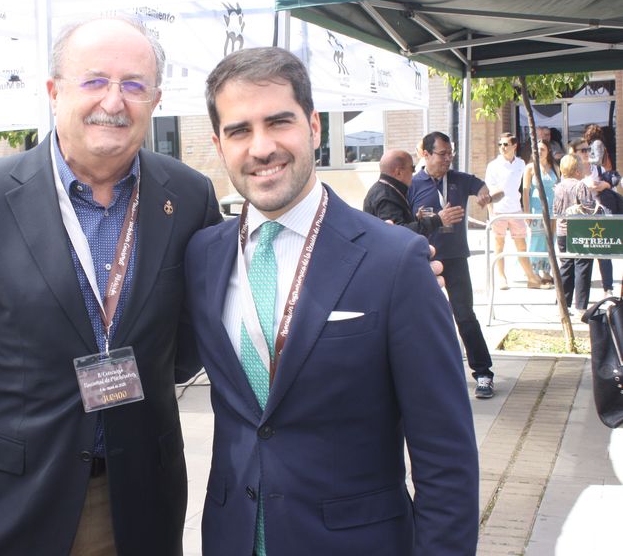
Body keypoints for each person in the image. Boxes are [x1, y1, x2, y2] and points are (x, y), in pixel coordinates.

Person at [0, 16, 221, 555]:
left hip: (138, 502)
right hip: (8, 504)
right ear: (54, 91)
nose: (113, 102)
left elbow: (187, 344)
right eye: (94, 81)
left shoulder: (188, 196)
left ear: (156, 100)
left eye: (133, 85)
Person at [186, 46, 478, 555]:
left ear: (314, 126)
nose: (261, 147)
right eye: (239, 131)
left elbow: (446, 457)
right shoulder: (202, 255)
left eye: (279, 122)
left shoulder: (395, 260)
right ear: (218, 144)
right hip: (231, 537)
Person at [409, 131, 497, 398]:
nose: (448, 158)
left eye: (451, 153)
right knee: (423, 319)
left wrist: (484, 194)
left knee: (465, 316)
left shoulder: (458, 179)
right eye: (442, 154)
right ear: (426, 154)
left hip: (456, 258)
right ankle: (427, 376)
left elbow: (480, 186)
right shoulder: (412, 184)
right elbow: (404, 222)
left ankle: (483, 373)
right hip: (425, 260)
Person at [485, 132, 551, 290]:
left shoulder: (521, 164)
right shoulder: (493, 165)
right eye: (500, 144)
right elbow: (488, 190)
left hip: (516, 210)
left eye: (505, 144)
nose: (502, 147)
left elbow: (528, 184)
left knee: (521, 246)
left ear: (514, 146)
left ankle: (531, 278)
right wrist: (491, 211)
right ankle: (502, 277)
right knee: (499, 245)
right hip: (499, 211)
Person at [362, 148, 463, 234]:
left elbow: (399, 224)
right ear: (398, 172)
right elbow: (398, 233)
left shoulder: (386, 189)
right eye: (412, 168)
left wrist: (415, 219)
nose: (414, 172)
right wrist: (438, 220)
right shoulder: (386, 196)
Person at [553, 151, 596, 314]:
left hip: (562, 231)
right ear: (577, 171)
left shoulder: (558, 187)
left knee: (566, 266)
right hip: (579, 231)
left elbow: (555, 210)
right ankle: (581, 306)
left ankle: (563, 305)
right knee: (583, 266)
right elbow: (590, 208)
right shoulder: (580, 186)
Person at [583, 123, 617, 297]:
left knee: (601, 250)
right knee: (598, 251)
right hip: (592, 208)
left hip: (597, 208)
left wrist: (605, 184)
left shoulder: (595, 147)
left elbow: (597, 162)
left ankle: (606, 288)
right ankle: (606, 288)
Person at [523, 139, 559, 285]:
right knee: (536, 240)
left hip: (552, 210)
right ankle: (534, 273)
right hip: (536, 209)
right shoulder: (530, 168)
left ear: (548, 151)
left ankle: (546, 271)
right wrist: (526, 212)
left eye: (542, 149)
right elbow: (525, 191)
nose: (539, 152)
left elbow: (559, 187)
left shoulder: (554, 167)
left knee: (550, 240)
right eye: (536, 149)